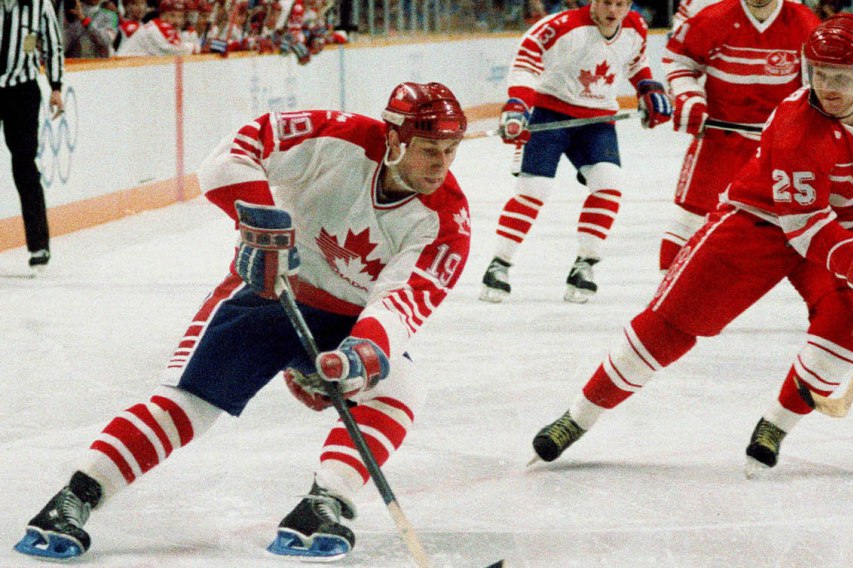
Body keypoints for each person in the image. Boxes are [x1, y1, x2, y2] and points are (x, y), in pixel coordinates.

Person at [13, 81, 470, 562]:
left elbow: (399, 305)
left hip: (347, 319)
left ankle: (326, 502)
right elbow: (231, 154)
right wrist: (261, 221)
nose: (442, 164)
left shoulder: (447, 223)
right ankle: (75, 496)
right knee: (187, 404)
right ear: (395, 139)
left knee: (399, 385)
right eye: (429, 150)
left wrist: (357, 357)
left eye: (450, 150)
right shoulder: (337, 136)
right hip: (268, 291)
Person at [529, 14, 853, 477]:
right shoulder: (797, 127)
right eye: (819, 75)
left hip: (849, 224)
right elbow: (808, 228)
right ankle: (577, 418)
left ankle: (775, 426)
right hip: (760, 221)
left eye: (840, 77)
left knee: (851, 317)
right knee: (674, 320)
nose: (828, 87)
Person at [479, 0, 672, 304]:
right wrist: (518, 105)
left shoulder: (636, 27)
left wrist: (647, 87)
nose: (613, 10)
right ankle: (499, 264)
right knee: (534, 190)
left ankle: (585, 264)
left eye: (621, 4)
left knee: (609, 185)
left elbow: (635, 60)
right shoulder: (562, 27)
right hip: (549, 113)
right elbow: (527, 60)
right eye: (607, 2)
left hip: (596, 120)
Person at [658, 0, 820, 269]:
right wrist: (689, 97)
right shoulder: (715, 18)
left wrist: (808, 126)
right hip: (719, 139)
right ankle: (664, 299)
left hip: (777, 147)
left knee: (805, 224)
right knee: (689, 218)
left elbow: (813, 86)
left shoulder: (803, 22)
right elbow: (679, 59)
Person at [0, 0, 64, 273]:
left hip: (22, 91)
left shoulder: (39, 5)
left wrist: (56, 86)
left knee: (25, 166)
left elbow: (52, 46)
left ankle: (39, 245)